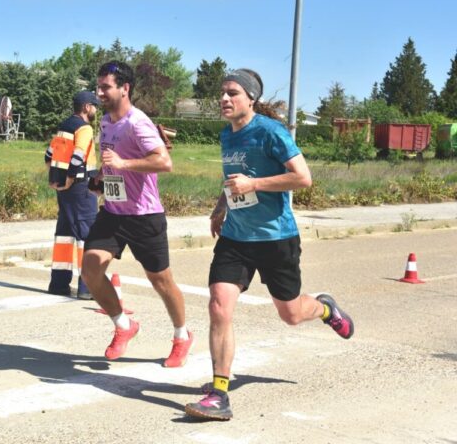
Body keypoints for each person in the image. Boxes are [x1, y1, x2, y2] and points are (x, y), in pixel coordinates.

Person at [184, 69, 355, 421]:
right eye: (222, 93)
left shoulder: (270, 132)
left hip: (276, 238)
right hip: (236, 237)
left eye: (232, 93)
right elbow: (233, 178)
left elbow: (303, 177)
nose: (224, 99)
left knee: (291, 314)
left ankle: (324, 308)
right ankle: (219, 393)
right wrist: (221, 205)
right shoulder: (227, 135)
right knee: (219, 305)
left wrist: (255, 185)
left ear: (250, 98)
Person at [80, 60, 193, 368]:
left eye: (105, 87)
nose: (99, 92)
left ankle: (182, 336)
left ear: (124, 88)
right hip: (115, 212)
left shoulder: (137, 122)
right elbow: (111, 160)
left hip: (144, 215)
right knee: (90, 269)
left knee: (162, 282)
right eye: (98, 86)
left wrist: (123, 164)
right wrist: (102, 180)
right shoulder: (105, 121)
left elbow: (164, 162)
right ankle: (123, 326)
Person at [44, 90, 101, 299]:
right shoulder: (84, 128)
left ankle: (58, 284)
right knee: (88, 234)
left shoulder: (64, 126)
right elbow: (78, 156)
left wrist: (57, 180)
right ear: (86, 107)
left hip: (63, 190)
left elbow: (49, 156)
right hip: (81, 187)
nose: (96, 110)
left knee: (65, 235)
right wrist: (69, 179)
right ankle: (87, 288)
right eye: (94, 106)